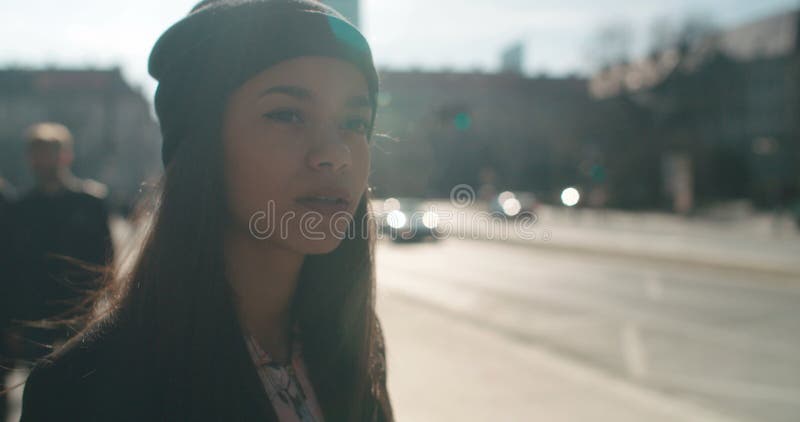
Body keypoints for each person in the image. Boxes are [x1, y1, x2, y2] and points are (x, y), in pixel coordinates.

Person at [19, 1, 393, 421]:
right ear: (202, 145)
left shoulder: (351, 346)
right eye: (288, 114)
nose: (335, 154)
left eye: (356, 123)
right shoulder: (88, 389)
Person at [6, 122, 114, 361]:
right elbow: (11, 267)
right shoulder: (20, 209)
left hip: (80, 312)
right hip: (35, 314)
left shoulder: (90, 203)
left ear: (65, 156)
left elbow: (107, 261)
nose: (43, 161)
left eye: (48, 154)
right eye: (37, 155)